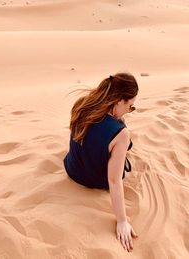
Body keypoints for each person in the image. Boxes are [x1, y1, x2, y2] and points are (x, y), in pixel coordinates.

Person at [63, 72, 139, 252]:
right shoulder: (120, 133)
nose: (129, 110)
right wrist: (122, 221)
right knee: (123, 150)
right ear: (119, 100)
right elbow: (114, 180)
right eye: (130, 106)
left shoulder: (82, 104)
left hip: (72, 169)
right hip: (94, 180)